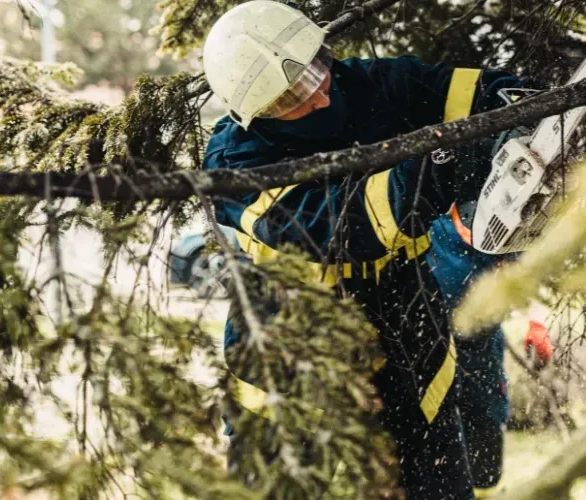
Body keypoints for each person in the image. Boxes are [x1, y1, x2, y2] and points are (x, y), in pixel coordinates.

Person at [201, 2, 530, 497]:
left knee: (434, 480)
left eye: (314, 70)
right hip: (292, 342)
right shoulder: (235, 163)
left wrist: (512, 105)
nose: (316, 96)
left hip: (406, 318)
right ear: (254, 113)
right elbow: (337, 228)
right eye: (289, 97)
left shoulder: (373, 83)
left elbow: (463, 90)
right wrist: (436, 170)